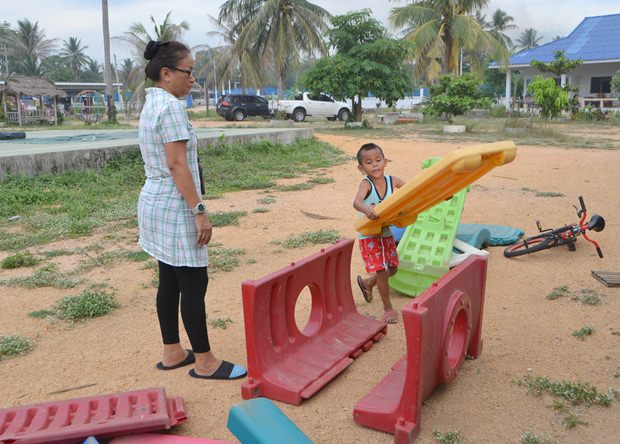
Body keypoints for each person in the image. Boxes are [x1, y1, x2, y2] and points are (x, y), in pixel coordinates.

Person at [137, 40, 247, 380]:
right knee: (194, 282)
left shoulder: (151, 104)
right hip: (175, 205)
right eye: (189, 71)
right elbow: (177, 164)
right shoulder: (170, 108)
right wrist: (199, 210)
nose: (193, 79)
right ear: (167, 73)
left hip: (154, 201)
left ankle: (173, 352)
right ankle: (205, 361)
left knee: (169, 279)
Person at [353, 143, 405, 324]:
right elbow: (357, 202)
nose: (375, 165)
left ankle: (368, 283)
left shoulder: (393, 181)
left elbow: (412, 189)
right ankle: (388, 309)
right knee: (382, 271)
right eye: (369, 162)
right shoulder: (366, 184)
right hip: (369, 234)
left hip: (385, 231)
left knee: (393, 268)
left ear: (385, 161)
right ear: (361, 168)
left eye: (378, 160)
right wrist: (367, 209)